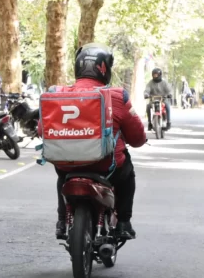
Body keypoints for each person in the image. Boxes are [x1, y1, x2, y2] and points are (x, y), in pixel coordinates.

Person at [52, 44, 147, 240]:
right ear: (105, 69)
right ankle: (123, 223)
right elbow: (137, 138)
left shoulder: (56, 92)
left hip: (67, 166)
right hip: (108, 168)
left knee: (62, 175)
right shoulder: (118, 96)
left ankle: (62, 221)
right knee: (127, 174)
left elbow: (42, 130)